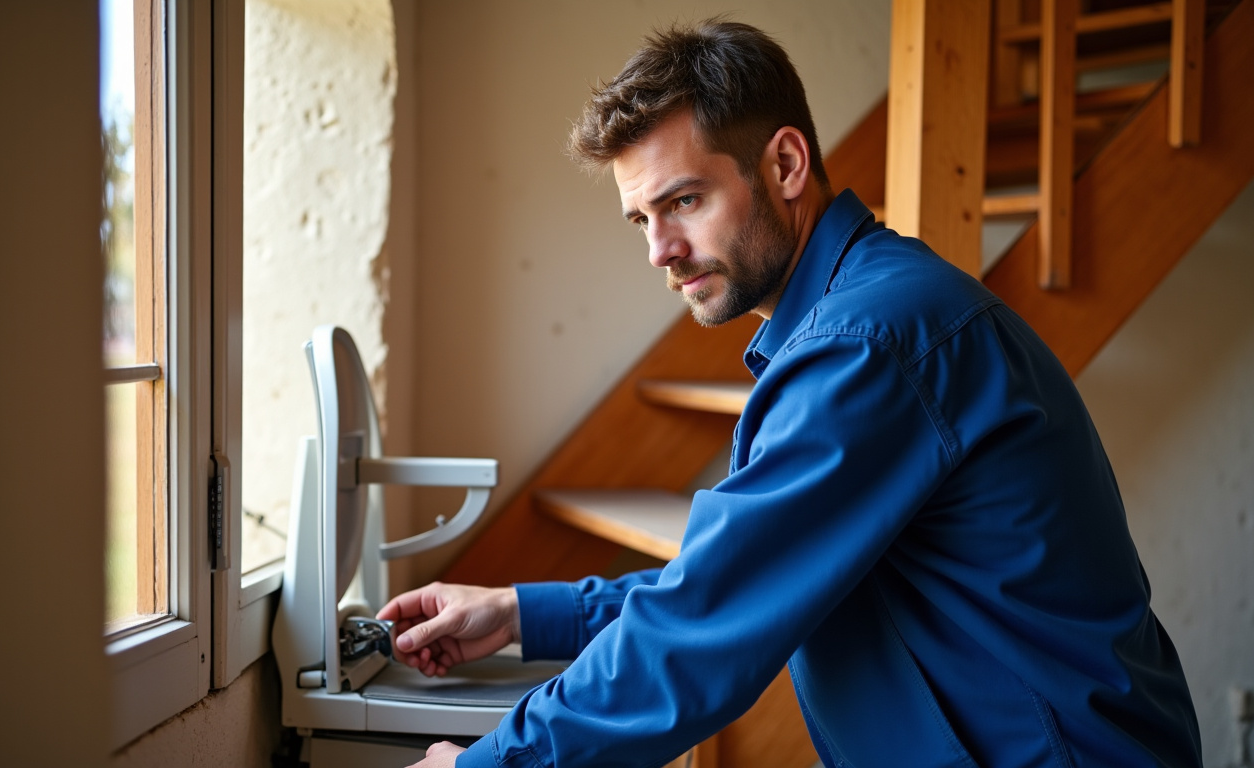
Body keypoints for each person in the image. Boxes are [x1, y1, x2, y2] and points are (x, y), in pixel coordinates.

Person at [377, 19, 1202, 768]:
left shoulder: (867, 343)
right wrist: (522, 612)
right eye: (642, 220)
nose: (661, 250)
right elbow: (740, 570)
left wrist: (490, 767)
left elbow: (703, 630)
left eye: (685, 201)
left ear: (785, 164)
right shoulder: (862, 316)